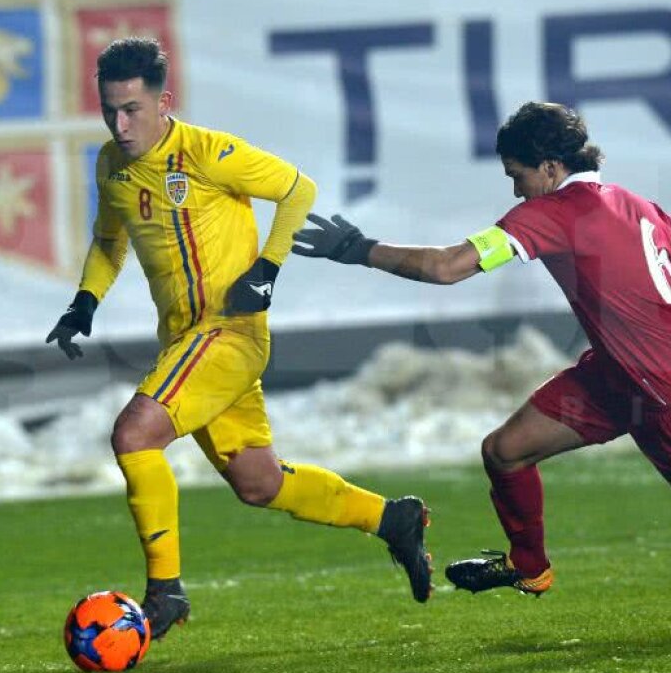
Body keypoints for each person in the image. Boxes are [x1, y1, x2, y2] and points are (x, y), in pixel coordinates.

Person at [293, 101, 671, 614]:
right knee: (505, 451)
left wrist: (359, 249)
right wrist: (645, 341)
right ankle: (530, 566)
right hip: (616, 377)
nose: (515, 189)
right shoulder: (637, 204)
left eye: (517, 175)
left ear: (551, 169)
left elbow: (448, 268)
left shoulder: (551, 214)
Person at [46, 38, 432, 640]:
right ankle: (392, 519)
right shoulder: (110, 164)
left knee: (133, 433)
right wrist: (83, 302)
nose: (120, 125)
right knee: (259, 482)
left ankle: (164, 591)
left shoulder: (205, 153)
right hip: (185, 344)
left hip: (227, 332)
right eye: (110, 109)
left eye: (132, 110)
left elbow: (297, 188)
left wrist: (266, 271)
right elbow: (108, 239)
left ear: (163, 101)